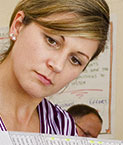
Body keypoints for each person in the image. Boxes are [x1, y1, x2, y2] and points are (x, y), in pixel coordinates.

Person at [0, 0, 109, 136]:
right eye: (51, 41)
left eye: (75, 60)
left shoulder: (64, 127)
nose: (58, 66)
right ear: (18, 26)